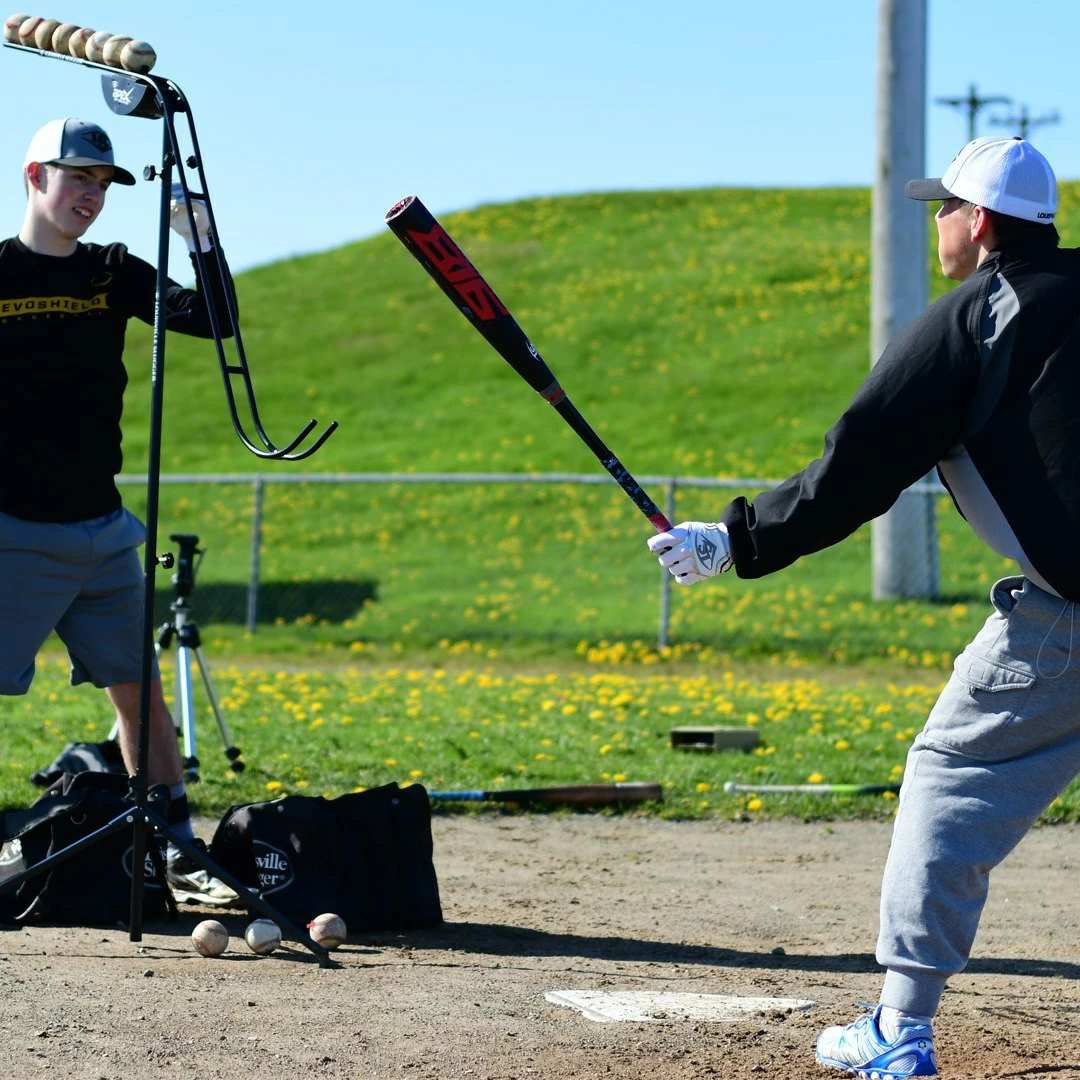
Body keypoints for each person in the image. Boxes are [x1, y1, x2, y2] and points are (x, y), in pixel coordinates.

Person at [648, 135, 1080, 1079]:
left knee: (951, 778)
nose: (938, 223)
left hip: (1066, 624)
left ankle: (899, 1029)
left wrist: (733, 542)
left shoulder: (974, 319)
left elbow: (858, 466)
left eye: (944, 207)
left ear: (980, 221)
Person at [0, 117, 240, 907]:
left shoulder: (113, 271)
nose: (92, 195)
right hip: (12, 530)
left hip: (103, 533)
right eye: (78, 177)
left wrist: (200, 238)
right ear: (35, 176)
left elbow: (216, 320)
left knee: (141, 696)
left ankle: (176, 852)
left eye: (102, 183)